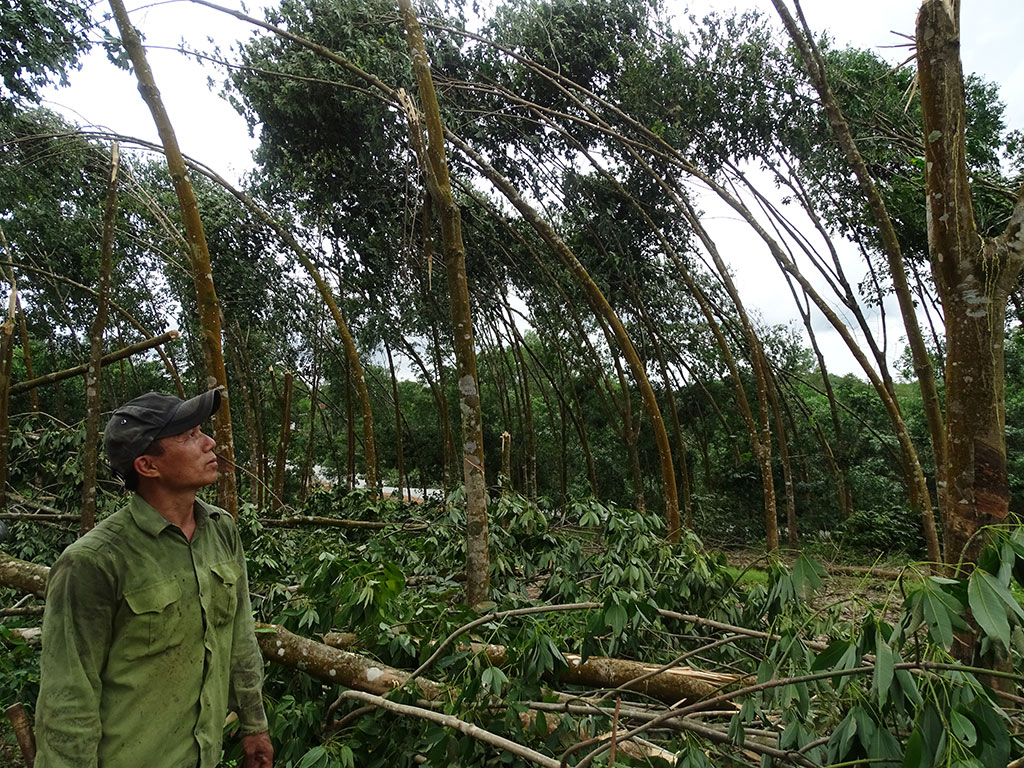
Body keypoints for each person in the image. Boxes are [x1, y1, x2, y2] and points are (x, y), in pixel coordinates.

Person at [34, 390, 273, 768]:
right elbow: (68, 697)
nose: (209, 442)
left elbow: (239, 637)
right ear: (147, 466)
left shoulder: (221, 530)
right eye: (189, 435)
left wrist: (254, 725)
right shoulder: (93, 562)